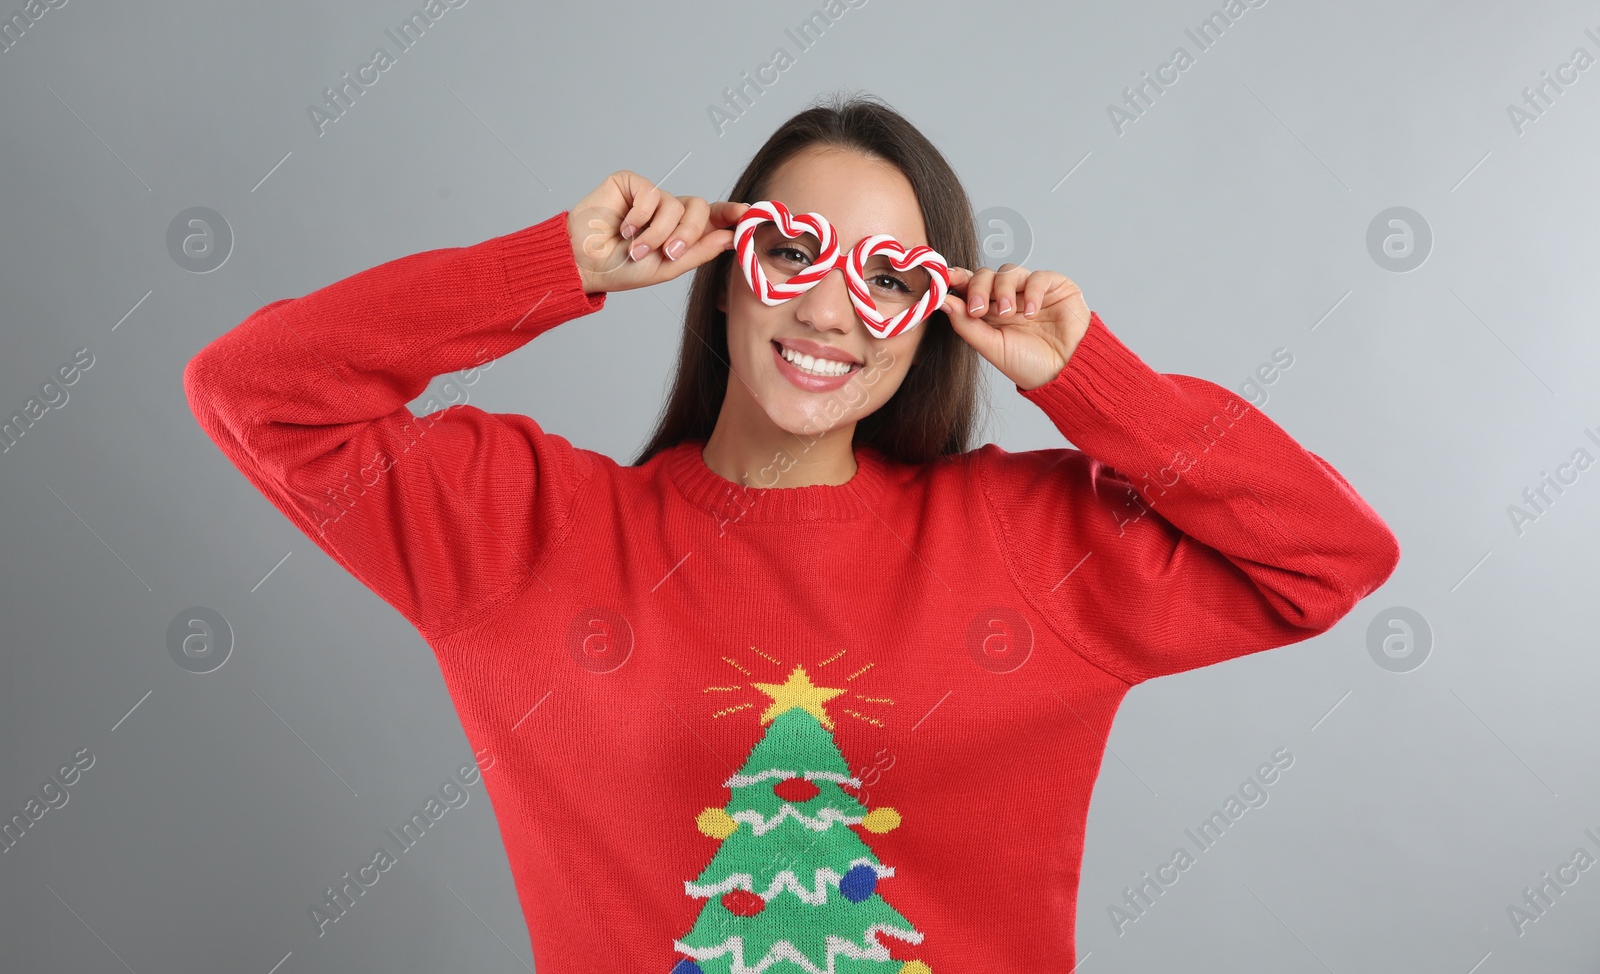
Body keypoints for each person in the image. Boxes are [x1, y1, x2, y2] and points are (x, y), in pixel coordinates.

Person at [184, 95, 1400, 973]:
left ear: (931, 320)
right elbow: (256, 388)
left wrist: (1092, 379)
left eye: (887, 278)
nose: (830, 307)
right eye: (789, 249)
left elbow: (1327, 555)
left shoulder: (1019, 541)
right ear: (723, 270)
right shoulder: (525, 538)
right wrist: (557, 265)